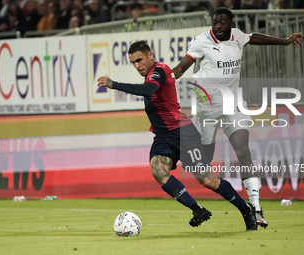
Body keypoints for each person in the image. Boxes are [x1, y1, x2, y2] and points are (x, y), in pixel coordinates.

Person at [97, 40, 258, 231]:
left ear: (150, 55)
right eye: (132, 62)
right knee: (158, 170)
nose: (136, 65)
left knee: (207, 180)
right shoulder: (150, 74)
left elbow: (148, 90)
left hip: (183, 134)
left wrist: (113, 84)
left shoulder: (160, 70)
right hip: (163, 137)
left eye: (139, 60)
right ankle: (197, 209)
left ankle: (247, 210)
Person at [172, 7, 304, 229]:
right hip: (206, 110)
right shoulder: (200, 42)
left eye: (223, 22)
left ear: (231, 23)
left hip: (232, 104)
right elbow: (180, 68)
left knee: (243, 150)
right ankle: (183, 153)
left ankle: (256, 208)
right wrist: (161, 81)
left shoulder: (237, 36)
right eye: (216, 22)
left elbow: (254, 38)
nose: (219, 26)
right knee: (202, 165)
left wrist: (284, 41)